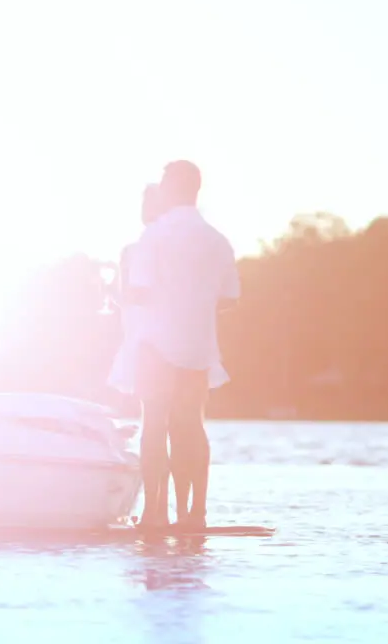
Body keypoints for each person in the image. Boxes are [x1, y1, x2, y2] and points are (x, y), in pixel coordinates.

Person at [125, 160, 239, 530]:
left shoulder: (154, 236)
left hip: (156, 344)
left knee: (155, 423)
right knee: (192, 424)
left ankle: (154, 512)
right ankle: (196, 514)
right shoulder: (218, 240)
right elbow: (229, 299)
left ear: (171, 188)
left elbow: (139, 291)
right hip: (198, 345)